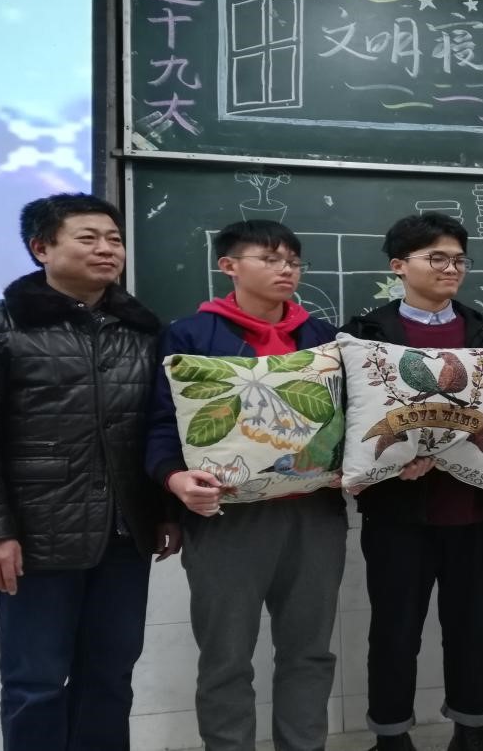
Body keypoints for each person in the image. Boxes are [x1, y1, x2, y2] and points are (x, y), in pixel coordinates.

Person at [0, 192, 180, 751]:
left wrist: (164, 511)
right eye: (88, 238)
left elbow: (160, 427)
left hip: (125, 533)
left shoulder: (142, 329)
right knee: (36, 683)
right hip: (36, 534)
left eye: (114, 239)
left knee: (110, 677)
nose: (107, 249)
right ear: (41, 248)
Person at [145, 220, 348, 751]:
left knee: (309, 651)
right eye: (270, 258)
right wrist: (174, 479)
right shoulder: (191, 335)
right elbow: (161, 424)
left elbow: (351, 416)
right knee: (226, 657)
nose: (287, 270)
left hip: (314, 513)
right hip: (226, 517)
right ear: (229, 266)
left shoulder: (325, 338)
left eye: (294, 261)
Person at [339, 212, 483, 751]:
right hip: (397, 510)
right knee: (395, 626)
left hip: (475, 508)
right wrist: (391, 462)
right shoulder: (366, 334)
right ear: (399, 266)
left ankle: (473, 727)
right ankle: (391, 735)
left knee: (473, 624)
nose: (451, 268)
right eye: (437, 258)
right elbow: (348, 417)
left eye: (459, 259)